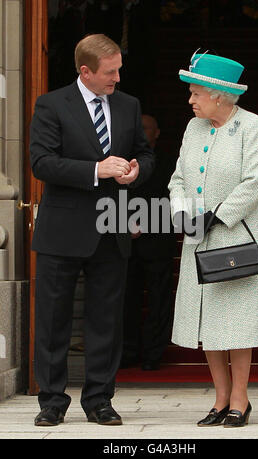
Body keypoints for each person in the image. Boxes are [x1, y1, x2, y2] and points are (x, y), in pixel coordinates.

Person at [30, 33, 154, 427]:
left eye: (119, 69)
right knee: (53, 320)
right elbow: (42, 163)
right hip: (61, 229)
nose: (117, 77)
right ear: (85, 71)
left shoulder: (129, 105)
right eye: (110, 72)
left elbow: (146, 153)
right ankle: (51, 401)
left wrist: (135, 173)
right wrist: (95, 169)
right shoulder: (51, 104)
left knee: (106, 321)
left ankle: (100, 400)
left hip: (112, 227)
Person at [169, 51, 258, 427]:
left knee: (237, 322)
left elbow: (254, 184)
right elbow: (179, 178)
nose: (190, 99)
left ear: (218, 94)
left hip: (236, 235)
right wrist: (182, 212)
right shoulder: (193, 128)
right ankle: (219, 399)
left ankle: (240, 399)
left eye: (196, 92)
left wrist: (216, 216)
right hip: (198, 238)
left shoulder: (252, 126)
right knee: (207, 322)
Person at [121, 115, 177, 371]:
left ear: (156, 134)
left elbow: (176, 197)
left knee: (159, 298)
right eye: (139, 128)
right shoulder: (122, 162)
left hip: (158, 240)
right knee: (125, 299)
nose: (142, 133)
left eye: (146, 129)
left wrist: (147, 222)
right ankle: (128, 352)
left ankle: (154, 354)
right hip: (125, 241)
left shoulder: (169, 163)